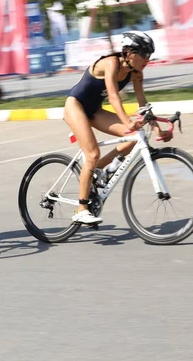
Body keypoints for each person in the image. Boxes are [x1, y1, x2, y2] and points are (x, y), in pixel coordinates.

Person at [63, 30, 172, 225]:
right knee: (92, 153)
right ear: (129, 53)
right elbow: (113, 97)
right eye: (144, 54)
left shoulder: (136, 73)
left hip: (94, 110)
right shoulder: (111, 63)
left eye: (150, 55)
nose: (147, 59)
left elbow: (143, 105)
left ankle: (99, 171)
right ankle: (81, 209)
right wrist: (128, 121)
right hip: (76, 106)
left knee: (134, 135)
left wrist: (157, 130)